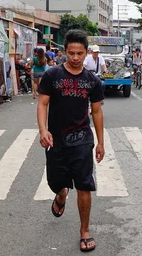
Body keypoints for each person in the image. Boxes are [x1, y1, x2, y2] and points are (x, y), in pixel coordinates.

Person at [37, 29, 105, 253]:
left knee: (85, 184)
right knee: (56, 182)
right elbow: (43, 104)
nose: (75, 58)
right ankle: (61, 193)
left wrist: (100, 142)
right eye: (71, 53)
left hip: (82, 139)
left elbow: (96, 112)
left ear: (87, 53)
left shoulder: (92, 81)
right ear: (64, 52)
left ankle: (84, 230)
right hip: (56, 140)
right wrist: (43, 130)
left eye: (80, 53)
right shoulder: (52, 76)